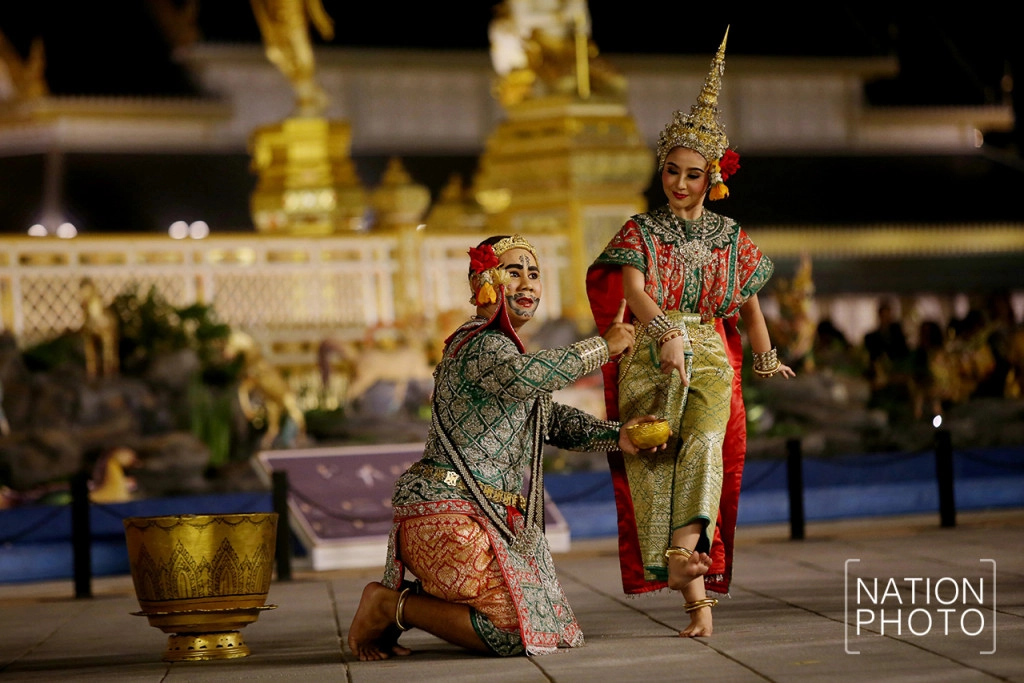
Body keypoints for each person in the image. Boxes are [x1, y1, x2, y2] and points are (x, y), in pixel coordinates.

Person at [348, 234, 663, 660]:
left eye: (533, 274)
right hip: (450, 512)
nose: (528, 283)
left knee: (546, 626)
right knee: (514, 632)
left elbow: (550, 419)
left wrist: (618, 434)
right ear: (485, 280)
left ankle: (402, 603)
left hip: (479, 513)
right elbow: (523, 377)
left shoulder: (507, 349)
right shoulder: (482, 343)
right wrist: (600, 348)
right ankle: (390, 604)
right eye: (514, 272)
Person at [585, 28, 794, 638]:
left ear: (713, 179)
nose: (680, 183)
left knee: (706, 446)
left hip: (708, 353)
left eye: (693, 175)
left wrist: (764, 358)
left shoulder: (729, 237)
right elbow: (633, 293)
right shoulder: (639, 231)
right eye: (672, 171)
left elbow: (750, 308)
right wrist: (664, 333)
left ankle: (688, 570)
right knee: (656, 457)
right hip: (652, 354)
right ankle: (693, 597)